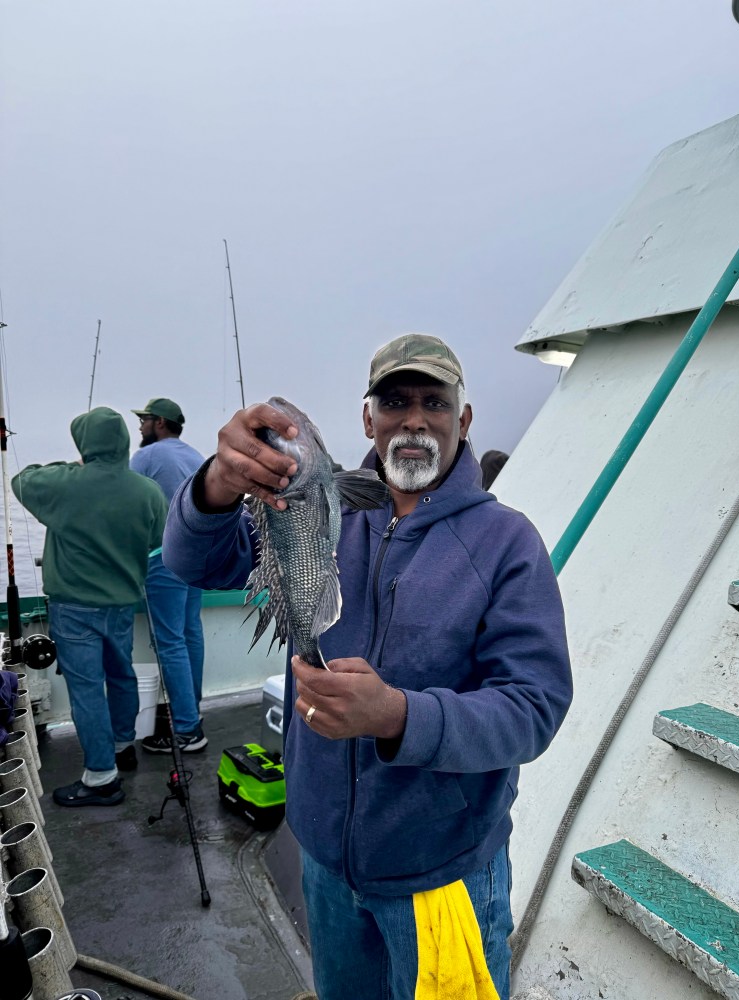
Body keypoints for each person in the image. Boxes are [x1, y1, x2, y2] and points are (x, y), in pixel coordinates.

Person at [162, 334, 573, 999]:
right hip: (325, 865)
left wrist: (398, 716)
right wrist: (217, 484)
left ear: (462, 421)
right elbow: (192, 562)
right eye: (394, 401)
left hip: (442, 875)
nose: (413, 419)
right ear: (367, 420)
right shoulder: (322, 505)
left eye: (433, 403)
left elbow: (534, 707)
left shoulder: (508, 542)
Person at [11, 407, 167, 806]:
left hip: (75, 607)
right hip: (120, 604)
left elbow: (22, 480)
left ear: (85, 442)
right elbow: (156, 540)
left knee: (86, 691)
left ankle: (101, 778)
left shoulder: (67, 484)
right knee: (121, 676)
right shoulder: (147, 491)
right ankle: (121, 745)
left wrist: (76, 464)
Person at [130, 398, 207, 753]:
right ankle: (193, 712)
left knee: (171, 641)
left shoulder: (147, 457)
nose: (141, 426)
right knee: (190, 632)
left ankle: (188, 730)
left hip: (164, 558)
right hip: (199, 558)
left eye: (144, 419)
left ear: (160, 423)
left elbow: (126, 502)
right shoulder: (196, 456)